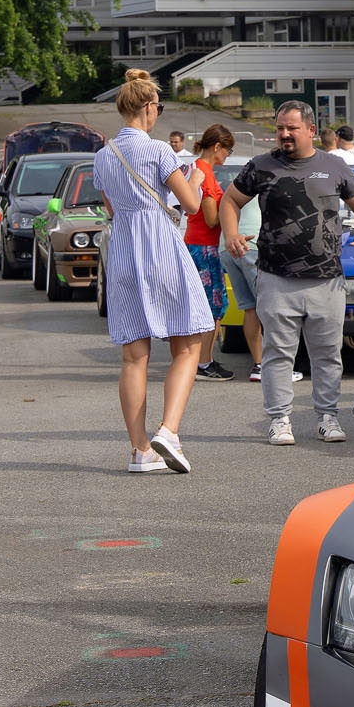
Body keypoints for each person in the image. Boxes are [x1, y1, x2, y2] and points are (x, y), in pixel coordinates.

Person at [221, 101, 354, 447]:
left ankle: (327, 418)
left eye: (291, 128)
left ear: (310, 130)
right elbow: (230, 200)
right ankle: (279, 420)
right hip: (276, 278)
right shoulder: (260, 166)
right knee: (278, 353)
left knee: (327, 354)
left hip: (327, 280)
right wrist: (231, 233)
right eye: (280, 128)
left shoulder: (334, 166)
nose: (284, 134)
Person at [95, 69, 212, 474]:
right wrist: (195, 178)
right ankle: (169, 431)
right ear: (148, 107)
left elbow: (111, 209)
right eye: (158, 108)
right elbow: (191, 205)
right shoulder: (160, 151)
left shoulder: (103, 156)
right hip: (160, 248)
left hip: (123, 253)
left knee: (133, 357)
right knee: (189, 343)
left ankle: (139, 450)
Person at [183, 124, 236, 381]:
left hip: (198, 243)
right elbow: (212, 218)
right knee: (214, 306)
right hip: (204, 246)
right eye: (227, 150)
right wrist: (231, 207)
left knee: (207, 305)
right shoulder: (204, 173)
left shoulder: (198, 169)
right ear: (217, 147)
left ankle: (202, 359)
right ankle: (203, 363)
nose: (227, 155)